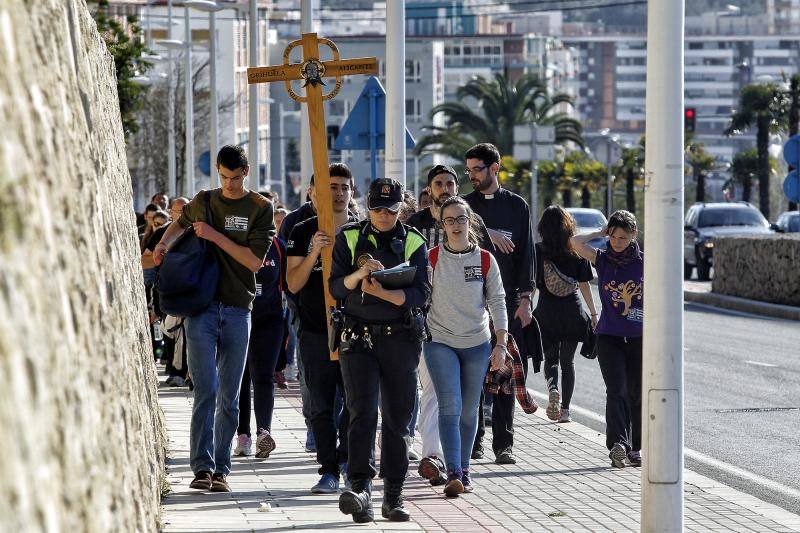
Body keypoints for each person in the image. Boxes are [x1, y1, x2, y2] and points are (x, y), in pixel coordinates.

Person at [153, 145, 275, 492]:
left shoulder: (260, 208)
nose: (230, 185)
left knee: (230, 395)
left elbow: (253, 261)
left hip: (239, 306)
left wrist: (215, 236)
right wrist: (164, 243)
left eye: (235, 178)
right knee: (205, 389)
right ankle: (202, 467)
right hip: (201, 308)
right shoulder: (205, 200)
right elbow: (179, 223)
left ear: (246, 173)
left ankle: (223, 468)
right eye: (224, 177)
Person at [330, 178, 430, 523]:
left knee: (399, 418)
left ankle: (394, 494)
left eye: (390, 209)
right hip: (358, 338)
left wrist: (384, 292)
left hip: (400, 338)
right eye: (377, 208)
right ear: (367, 205)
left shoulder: (414, 240)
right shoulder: (350, 237)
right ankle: (360, 489)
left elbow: (421, 294)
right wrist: (360, 275)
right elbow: (336, 287)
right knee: (360, 414)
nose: (384, 215)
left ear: (401, 207)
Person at [406, 164, 494, 485]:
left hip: (473, 335)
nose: (444, 188)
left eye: (449, 183)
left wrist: (501, 334)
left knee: (466, 405)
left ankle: (460, 459)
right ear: (429, 190)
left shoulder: (475, 227)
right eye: (438, 184)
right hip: (434, 332)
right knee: (437, 395)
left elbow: (490, 279)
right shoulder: (415, 227)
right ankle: (436, 457)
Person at [425, 196, 507, 497]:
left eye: (461, 219)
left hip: (477, 342)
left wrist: (501, 344)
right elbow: (420, 298)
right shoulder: (431, 258)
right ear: (442, 224)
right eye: (450, 220)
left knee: (470, 410)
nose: (456, 225)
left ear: (470, 222)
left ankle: (466, 470)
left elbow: (498, 300)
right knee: (450, 405)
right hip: (440, 341)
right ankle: (454, 471)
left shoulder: (485, 259)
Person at [286, 163, 358, 494]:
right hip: (314, 331)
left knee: (355, 403)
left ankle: (347, 462)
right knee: (321, 406)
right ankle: (328, 469)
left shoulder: (362, 230)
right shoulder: (301, 231)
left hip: (355, 330)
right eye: (332, 186)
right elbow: (293, 283)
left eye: (344, 187)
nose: (339, 193)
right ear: (315, 192)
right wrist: (315, 249)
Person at [463, 143, 534, 465]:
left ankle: (503, 445)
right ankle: (474, 441)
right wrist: (487, 231)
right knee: (474, 374)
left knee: (505, 375)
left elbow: (526, 257)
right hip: (471, 305)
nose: (472, 176)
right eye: (468, 171)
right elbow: (456, 234)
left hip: (506, 305)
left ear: (495, 167)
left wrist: (525, 300)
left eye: (477, 169)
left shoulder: (517, 206)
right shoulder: (464, 206)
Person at [571, 210, 643, 468]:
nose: (617, 242)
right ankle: (618, 444)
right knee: (616, 390)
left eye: (623, 238)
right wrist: (600, 233)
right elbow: (575, 243)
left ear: (634, 235)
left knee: (636, 393)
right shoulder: (602, 259)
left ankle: (636, 447)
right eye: (613, 236)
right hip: (609, 335)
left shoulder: (645, 263)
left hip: (639, 338)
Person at [533, 206, 598, 424]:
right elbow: (585, 284)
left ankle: (553, 388)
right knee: (567, 363)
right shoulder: (576, 251)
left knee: (550, 359)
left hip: (546, 313)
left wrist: (524, 306)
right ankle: (565, 411)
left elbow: (532, 285)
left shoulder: (537, 250)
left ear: (543, 227)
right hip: (572, 312)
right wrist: (594, 313)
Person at [232, 232, 287, 459]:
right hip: (238, 316)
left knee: (264, 376)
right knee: (240, 378)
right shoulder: (234, 241)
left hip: (270, 319)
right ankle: (242, 436)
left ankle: (264, 433)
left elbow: (287, 284)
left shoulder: (277, 245)